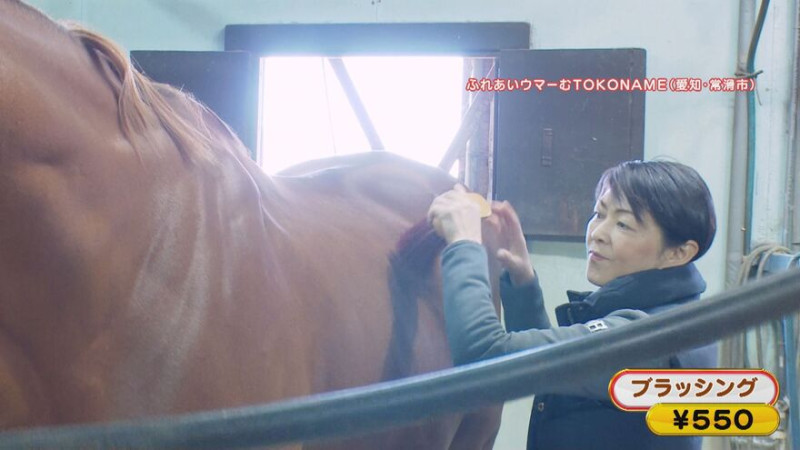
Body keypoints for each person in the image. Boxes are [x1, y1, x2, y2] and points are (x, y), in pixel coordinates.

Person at [427, 160, 717, 450]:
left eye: (623, 224)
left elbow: (485, 355)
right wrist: (522, 283)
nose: (598, 233)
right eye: (599, 214)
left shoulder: (651, 341)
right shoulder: (676, 318)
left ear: (678, 252)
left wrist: (463, 244)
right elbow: (547, 370)